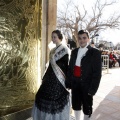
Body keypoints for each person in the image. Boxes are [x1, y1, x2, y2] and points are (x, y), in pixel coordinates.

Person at [32, 30, 71, 120]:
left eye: (55, 37)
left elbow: (66, 65)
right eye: (52, 37)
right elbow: (50, 65)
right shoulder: (52, 50)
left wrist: (66, 79)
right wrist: (45, 76)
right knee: (40, 95)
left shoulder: (64, 49)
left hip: (59, 78)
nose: (53, 39)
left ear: (60, 38)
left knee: (55, 100)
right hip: (50, 76)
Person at [66, 30, 102, 120]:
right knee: (76, 105)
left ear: (88, 39)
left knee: (87, 107)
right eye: (80, 38)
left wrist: (93, 89)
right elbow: (70, 68)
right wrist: (69, 82)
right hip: (75, 83)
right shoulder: (74, 52)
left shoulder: (95, 53)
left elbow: (97, 74)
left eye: (84, 38)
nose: (82, 40)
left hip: (87, 84)